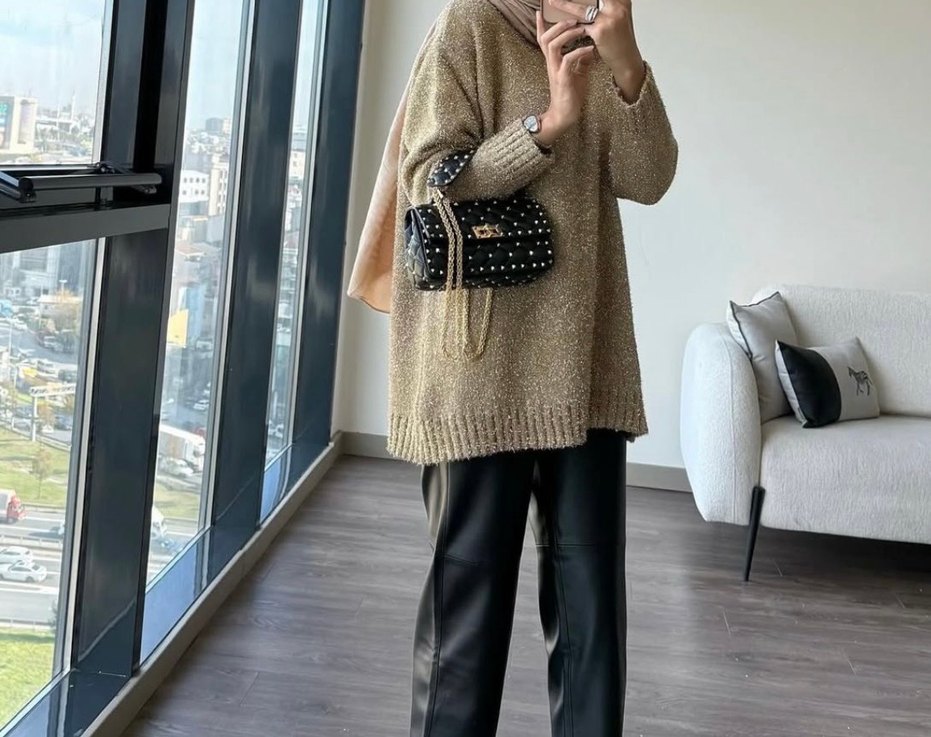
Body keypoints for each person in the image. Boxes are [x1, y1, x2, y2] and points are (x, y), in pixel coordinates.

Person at [349, 0, 677, 734]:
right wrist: (546, 125)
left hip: (586, 367)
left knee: (593, 618)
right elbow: (428, 179)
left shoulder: (601, 41)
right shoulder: (470, 24)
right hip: (480, 372)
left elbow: (649, 177)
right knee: (466, 620)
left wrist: (626, 62)